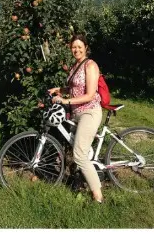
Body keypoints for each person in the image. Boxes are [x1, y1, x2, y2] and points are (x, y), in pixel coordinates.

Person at [48, 34, 104, 203]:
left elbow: (89, 95)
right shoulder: (75, 66)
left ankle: (99, 197)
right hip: (76, 113)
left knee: (79, 154)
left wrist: (66, 100)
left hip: (89, 111)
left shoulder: (90, 65)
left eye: (80, 46)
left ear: (86, 47)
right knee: (76, 145)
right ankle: (79, 176)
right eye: (74, 47)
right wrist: (59, 89)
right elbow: (73, 87)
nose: (76, 49)